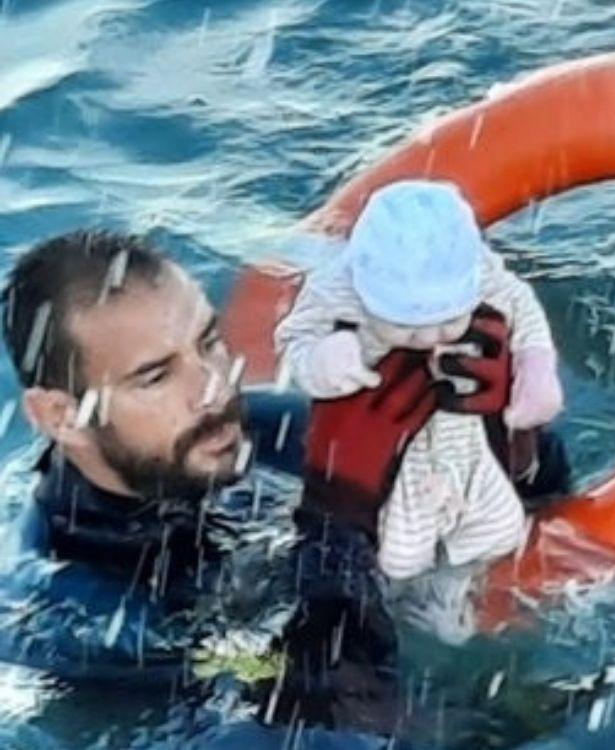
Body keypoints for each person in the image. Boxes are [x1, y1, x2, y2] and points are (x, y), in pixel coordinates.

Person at [0, 229, 571, 742]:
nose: (215, 389)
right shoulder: (76, 614)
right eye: (155, 376)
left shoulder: (259, 432)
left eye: (208, 343)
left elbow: (525, 507)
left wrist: (505, 439)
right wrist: (340, 513)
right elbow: (337, 718)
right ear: (60, 416)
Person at [275, 180, 564, 643]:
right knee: (380, 559)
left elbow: (525, 316)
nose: (432, 340)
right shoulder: (338, 289)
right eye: (409, 328)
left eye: (448, 322)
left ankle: (457, 589)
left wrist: (536, 374)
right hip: (377, 469)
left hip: (467, 441)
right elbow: (298, 336)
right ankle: (395, 608)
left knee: (493, 520)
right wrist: (324, 358)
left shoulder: (487, 279)